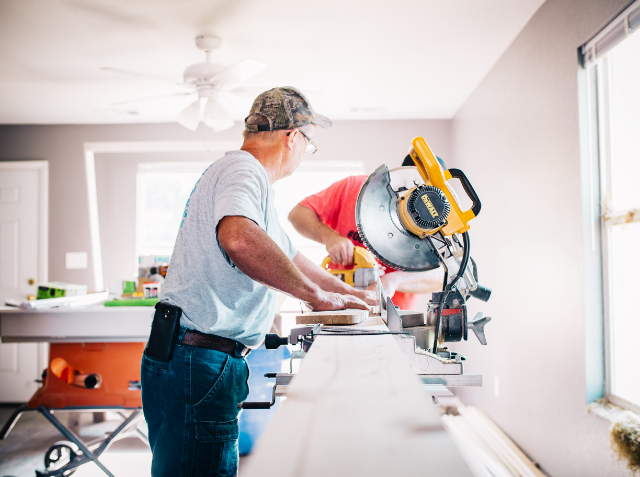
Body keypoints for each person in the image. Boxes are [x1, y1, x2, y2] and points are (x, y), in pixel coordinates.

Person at [141, 87, 376, 477]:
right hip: (197, 360)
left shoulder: (249, 183)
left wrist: (348, 293)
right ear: (293, 137)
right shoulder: (243, 170)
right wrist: (316, 298)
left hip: (194, 357)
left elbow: (291, 255)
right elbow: (237, 238)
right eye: (308, 144)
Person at [288, 155, 447, 310]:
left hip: (394, 316)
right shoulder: (354, 188)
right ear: (400, 175)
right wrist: (329, 237)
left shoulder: (437, 222)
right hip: (339, 306)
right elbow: (298, 214)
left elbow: (445, 276)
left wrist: (394, 280)